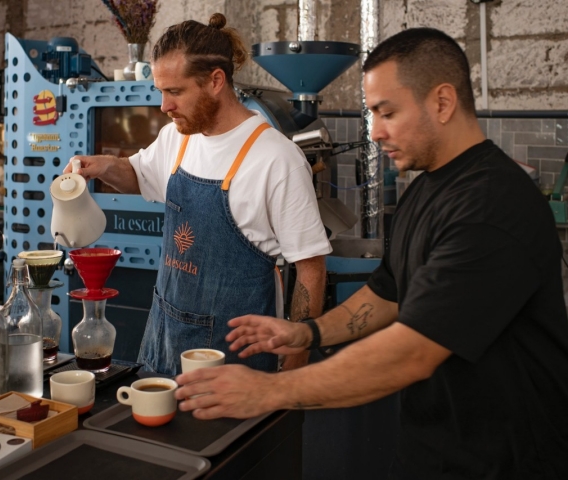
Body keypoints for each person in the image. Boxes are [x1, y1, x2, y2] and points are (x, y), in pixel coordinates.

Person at [175, 27, 568, 479]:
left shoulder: (491, 205)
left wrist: (270, 390)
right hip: (433, 453)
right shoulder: (426, 191)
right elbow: (387, 295)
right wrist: (308, 334)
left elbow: (412, 352)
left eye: (388, 112)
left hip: (507, 461)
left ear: (442, 102)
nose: (376, 132)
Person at [66, 13, 330, 376]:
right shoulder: (178, 137)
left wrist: (293, 369)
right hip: (163, 341)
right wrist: (102, 165)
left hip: (235, 363)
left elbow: (311, 269)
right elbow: (140, 176)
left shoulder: (276, 159)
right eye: (161, 92)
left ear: (215, 81)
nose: (164, 106)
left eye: (175, 92)